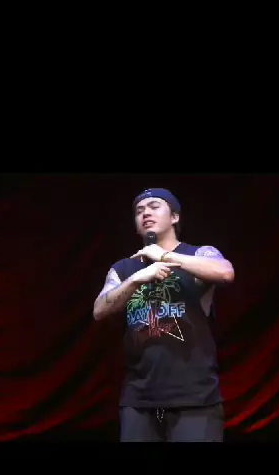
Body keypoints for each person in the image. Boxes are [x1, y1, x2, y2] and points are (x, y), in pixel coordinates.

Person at [93, 188, 235, 441]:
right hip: (139, 399)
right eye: (139, 210)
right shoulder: (124, 268)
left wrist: (165, 256)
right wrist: (136, 279)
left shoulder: (198, 254)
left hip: (194, 397)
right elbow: (99, 310)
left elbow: (225, 273)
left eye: (154, 206)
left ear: (175, 217)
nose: (145, 212)